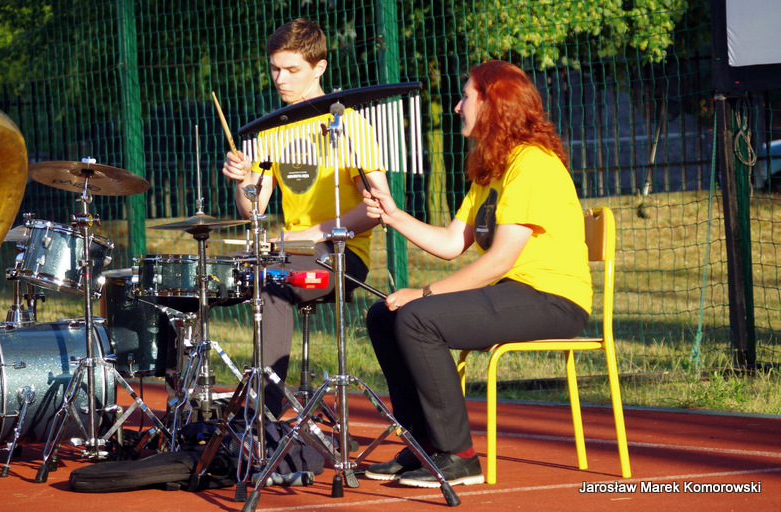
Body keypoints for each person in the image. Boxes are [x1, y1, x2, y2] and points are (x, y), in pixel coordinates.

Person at [361, 60, 592, 488]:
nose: (456, 106)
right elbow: (453, 242)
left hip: (554, 299)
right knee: (384, 315)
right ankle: (423, 445)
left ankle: (459, 456)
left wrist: (424, 293)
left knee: (417, 317)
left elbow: (499, 260)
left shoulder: (533, 164)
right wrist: (393, 215)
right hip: (517, 293)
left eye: (465, 96)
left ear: (493, 104)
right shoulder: (493, 169)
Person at [221, 18, 391, 416]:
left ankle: (262, 415)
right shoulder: (270, 131)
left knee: (272, 282)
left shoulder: (350, 125)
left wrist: (311, 235)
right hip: (289, 251)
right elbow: (253, 209)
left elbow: (377, 207)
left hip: (341, 255)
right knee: (197, 279)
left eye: (292, 70)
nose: (280, 79)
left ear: (319, 67)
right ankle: (187, 406)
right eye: (275, 69)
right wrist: (243, 181)